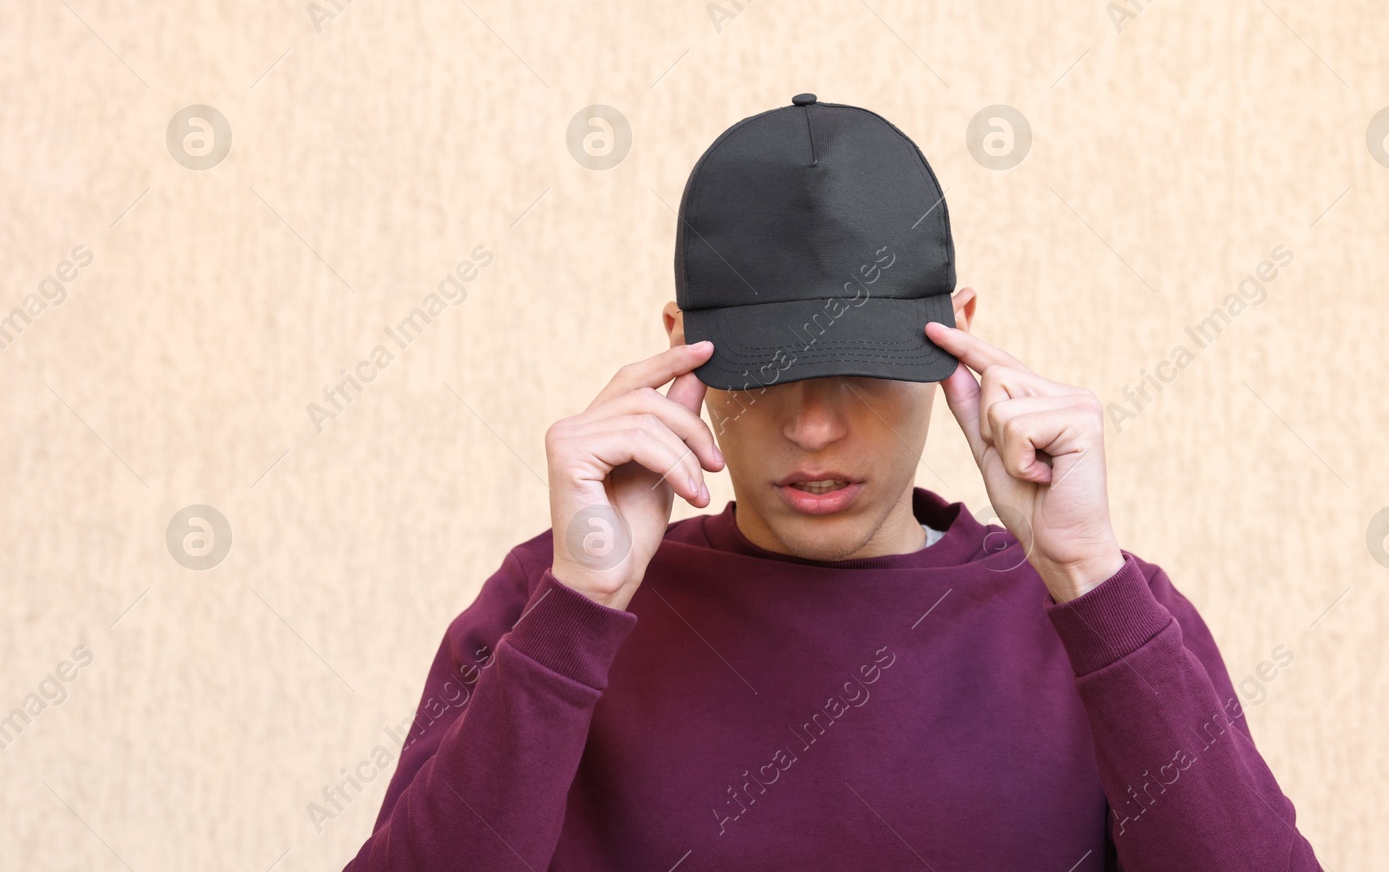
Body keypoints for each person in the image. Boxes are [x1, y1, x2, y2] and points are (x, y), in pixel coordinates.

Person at [343, 95, 1324, 870]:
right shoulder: (546, 600)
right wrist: (579, 609)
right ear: (681, 351)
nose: (813, 425)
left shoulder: (1103, 605)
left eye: (858, 364)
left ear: (959, 338)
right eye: (764, 371)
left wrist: (1082, 575)